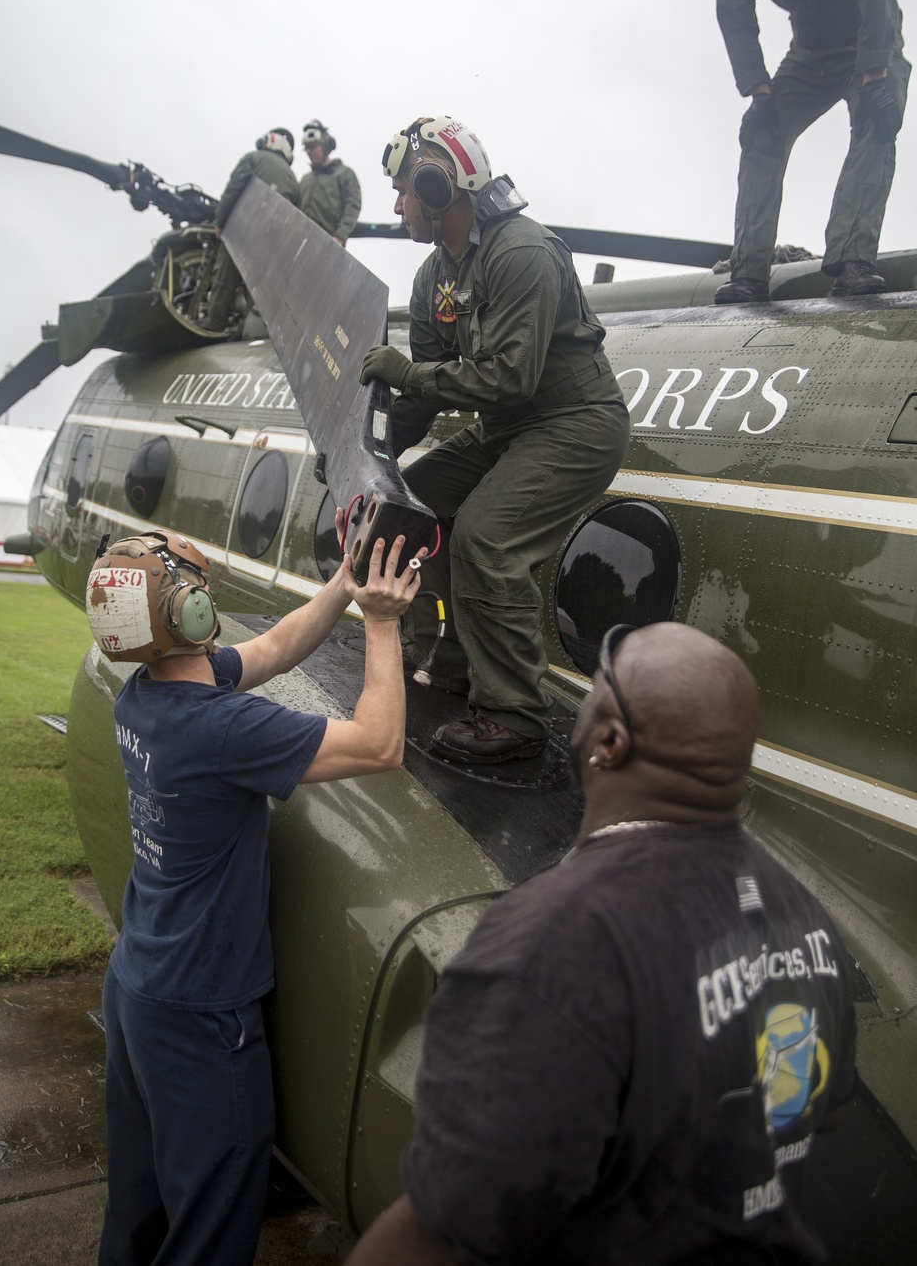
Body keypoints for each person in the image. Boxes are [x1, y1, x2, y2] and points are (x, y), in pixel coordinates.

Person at [349, 623, 857, 1265]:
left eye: (595, 687)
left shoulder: (556, 940)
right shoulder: (800, 912)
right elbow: (828, 1110)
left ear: (609, 743)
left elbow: (449, 1225)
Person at [86, 521, 422, 1266]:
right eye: (196, 589)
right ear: (189, 616)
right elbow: (379, 743)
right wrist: (382, 621)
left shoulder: (143, 695)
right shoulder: (219, 729)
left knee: (138, 1210)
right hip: (202, 1016)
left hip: (138, 986)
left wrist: (342, 583)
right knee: (210, 1225)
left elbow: (271, 650)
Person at [359, 117, 629, 766]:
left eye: (404, 191)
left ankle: (513, 716)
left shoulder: (522, 252)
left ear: (437, 185)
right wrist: (370, 455)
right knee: (414, 504)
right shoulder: (435, 278)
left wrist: (408, 372)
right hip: (510, 427)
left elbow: (510, 377)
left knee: (486, 534)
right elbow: (424, 398)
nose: (398, 206)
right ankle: (448, 661)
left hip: (575, 423)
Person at [712, 0, 909, 305]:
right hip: (810, 55)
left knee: (875, 121)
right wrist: (758, 92)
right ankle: (749, 273)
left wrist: (876, 76)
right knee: (763, 133)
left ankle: (852, 259)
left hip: (870, 47)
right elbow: (734, 16)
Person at [204, 128, 301, 332]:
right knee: (258, 287)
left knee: (225, 275)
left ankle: (214, 323)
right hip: (275, 241)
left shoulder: (254, 158)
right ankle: (253, 331)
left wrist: (220, 222)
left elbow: (233, 190)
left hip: (244, 230)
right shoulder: (292, 178)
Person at [299, 118, 362, 244]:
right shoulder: (305, 180)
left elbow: (352, 206)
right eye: (306, 148)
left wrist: (340, 236)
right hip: (300, 240)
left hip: (327, 243)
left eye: (313, 146)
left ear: (326, 145)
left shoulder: (344, 174)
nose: (309, 152)